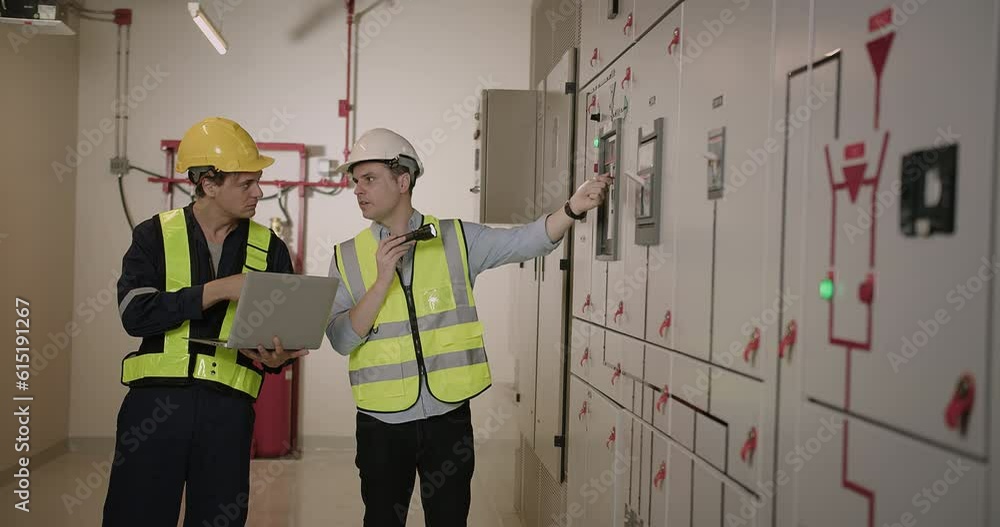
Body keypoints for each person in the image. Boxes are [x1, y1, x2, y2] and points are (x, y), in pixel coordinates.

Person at [325, 127, 611, 526]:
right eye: (356, 181)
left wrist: (573, 208)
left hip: (448, 418)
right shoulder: (347, 256)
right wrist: (381, 281)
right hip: (382, 423)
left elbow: (524, 241)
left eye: (369, 178)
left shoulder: (457, 239)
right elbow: (339, 339)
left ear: (402, 180)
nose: (358, 189)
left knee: (449, 519)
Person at [103, 117, 308, 527]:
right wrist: (217, 290)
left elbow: (279, 338)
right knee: (137, 516)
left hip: (229, 411)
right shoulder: (154, 235)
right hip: (154, 407)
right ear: (209, 184)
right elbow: (135, 314)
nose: (259, 192)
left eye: (258, 181)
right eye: (246, 183)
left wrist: (276, 357)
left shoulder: (270, 248)